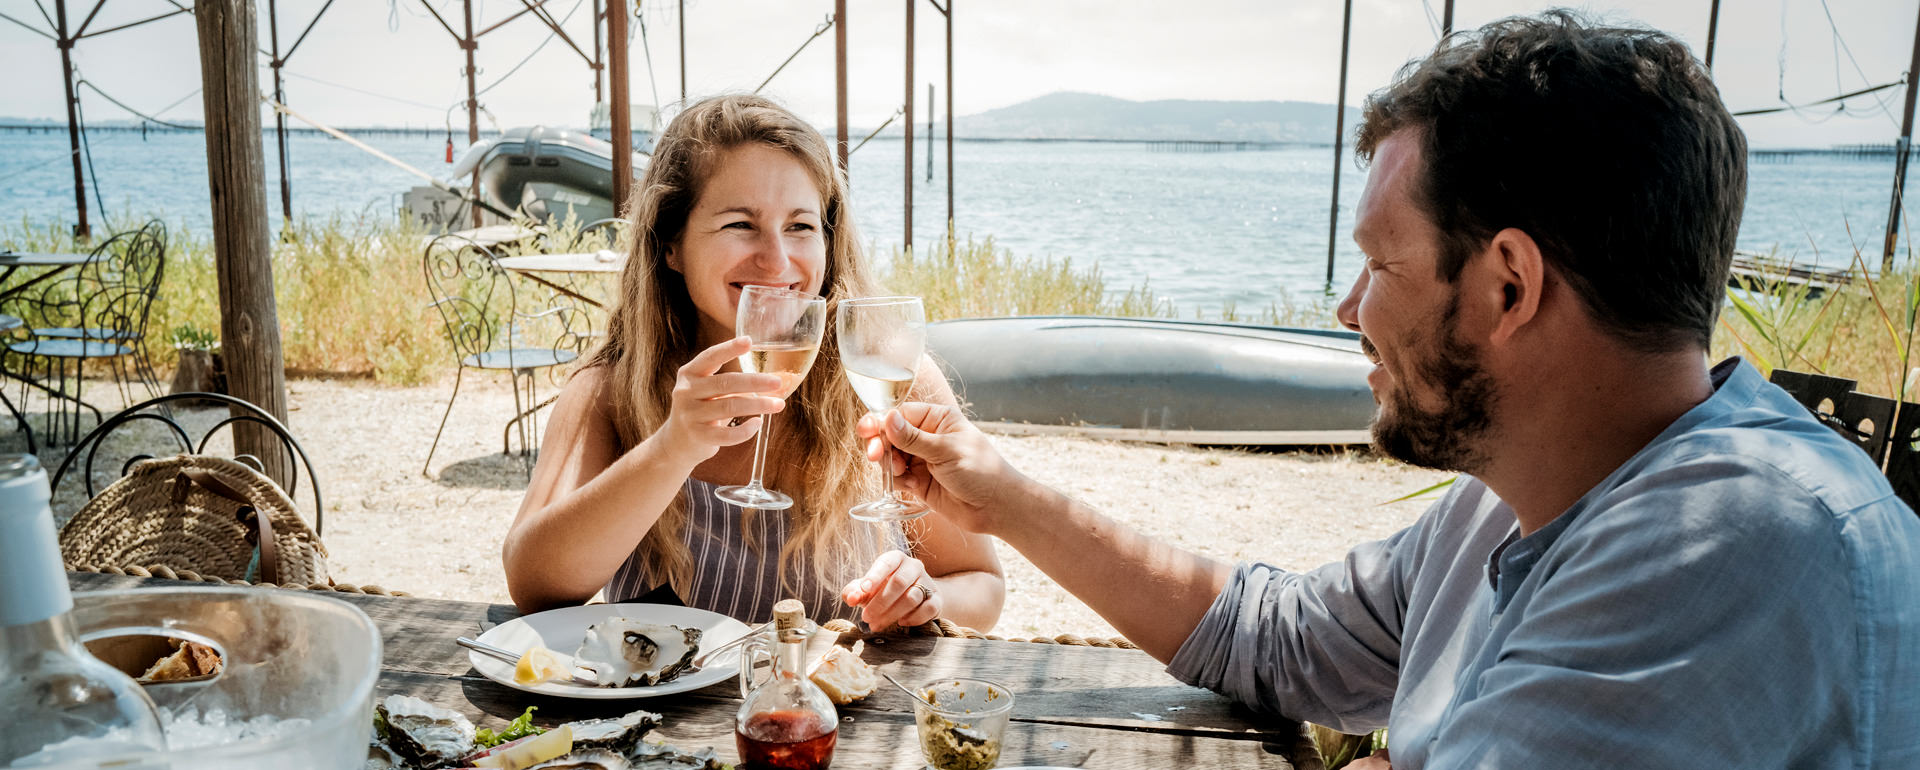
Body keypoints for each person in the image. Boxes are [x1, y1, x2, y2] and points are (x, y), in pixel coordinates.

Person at [857, 12, 1920, 769]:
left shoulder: (1735, 540)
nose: (1348, 307)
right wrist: (1001, 494)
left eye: (1381, 264)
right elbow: (1271, 636)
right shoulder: (1525, 486)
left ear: (1508, 284)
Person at [506, 95, 1003, 632]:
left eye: (801, 227)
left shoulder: (887, 378)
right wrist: (673, 447)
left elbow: (981, 583)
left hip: (841, 714)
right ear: (670, 245)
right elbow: (535, 586)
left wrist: (926, 598)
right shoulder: (610, 390)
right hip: (661, 717)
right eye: (741, 224)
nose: (777, 261)